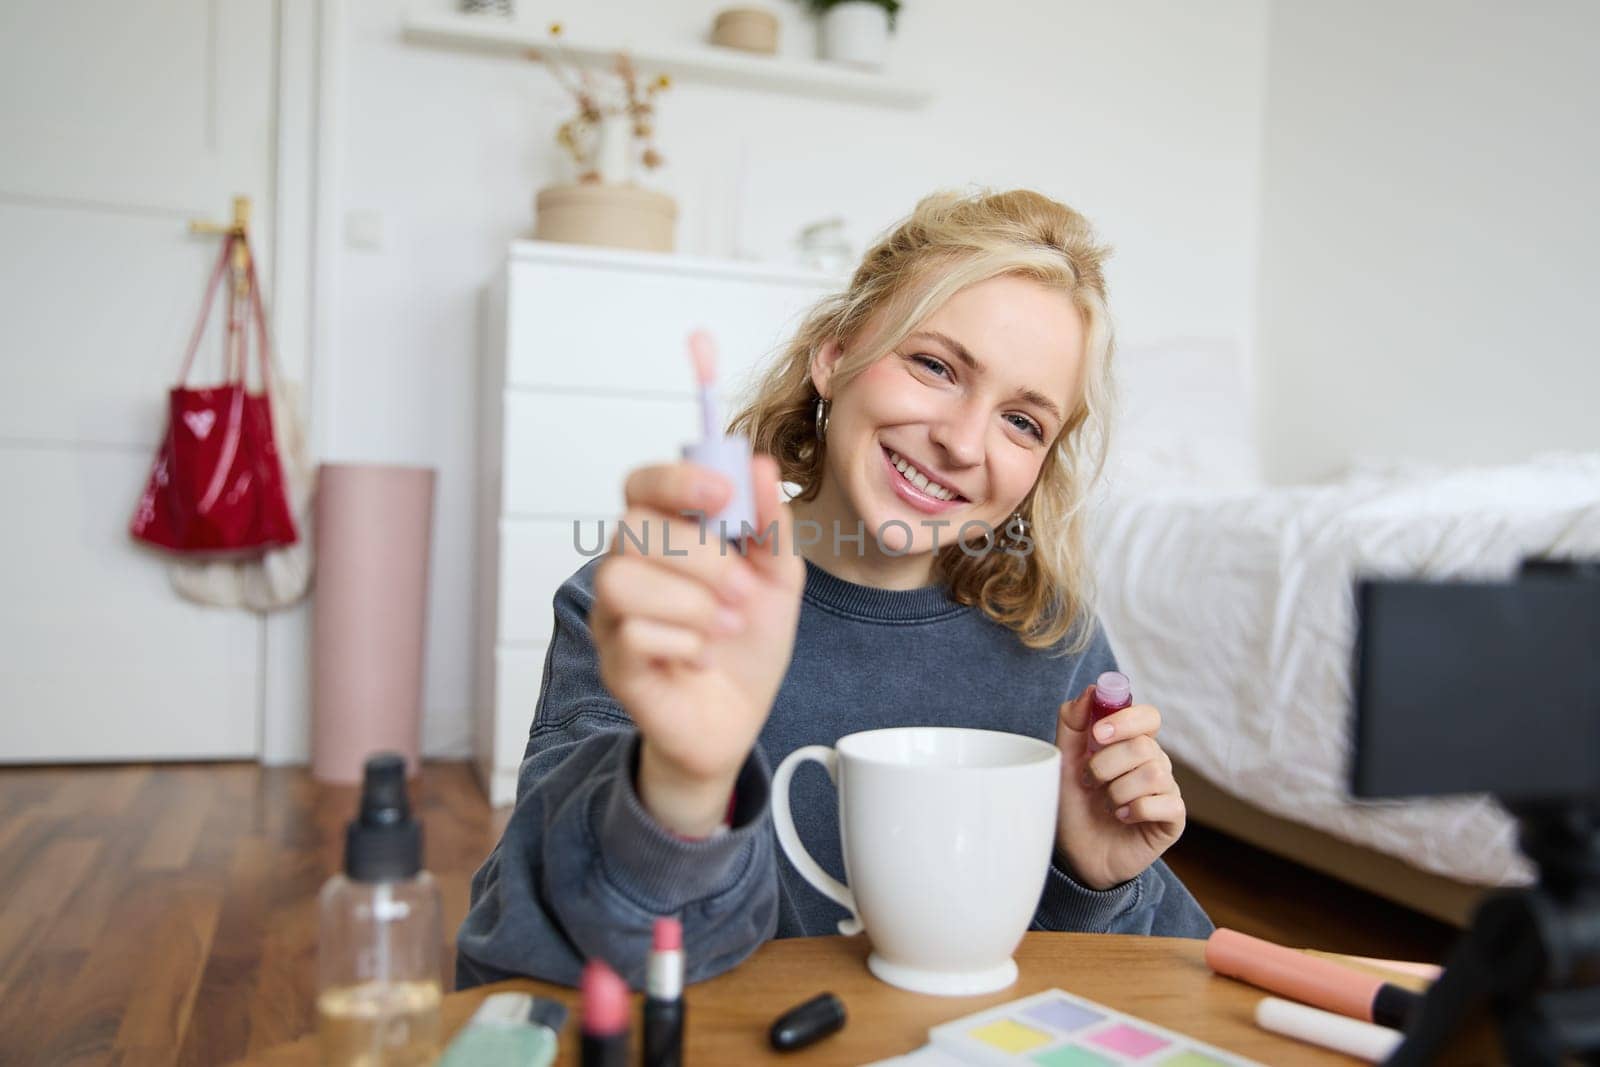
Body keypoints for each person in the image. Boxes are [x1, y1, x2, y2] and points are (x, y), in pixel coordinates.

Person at [456, 189, 1212, 991]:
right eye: (935, 366)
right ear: (833, 353)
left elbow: (1158, 983)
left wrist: (1094, 882)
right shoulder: (664, 605)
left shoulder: (1052, 642)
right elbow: (519, 958)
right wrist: (681, 788)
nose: (962, 442)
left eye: (1023, 421)